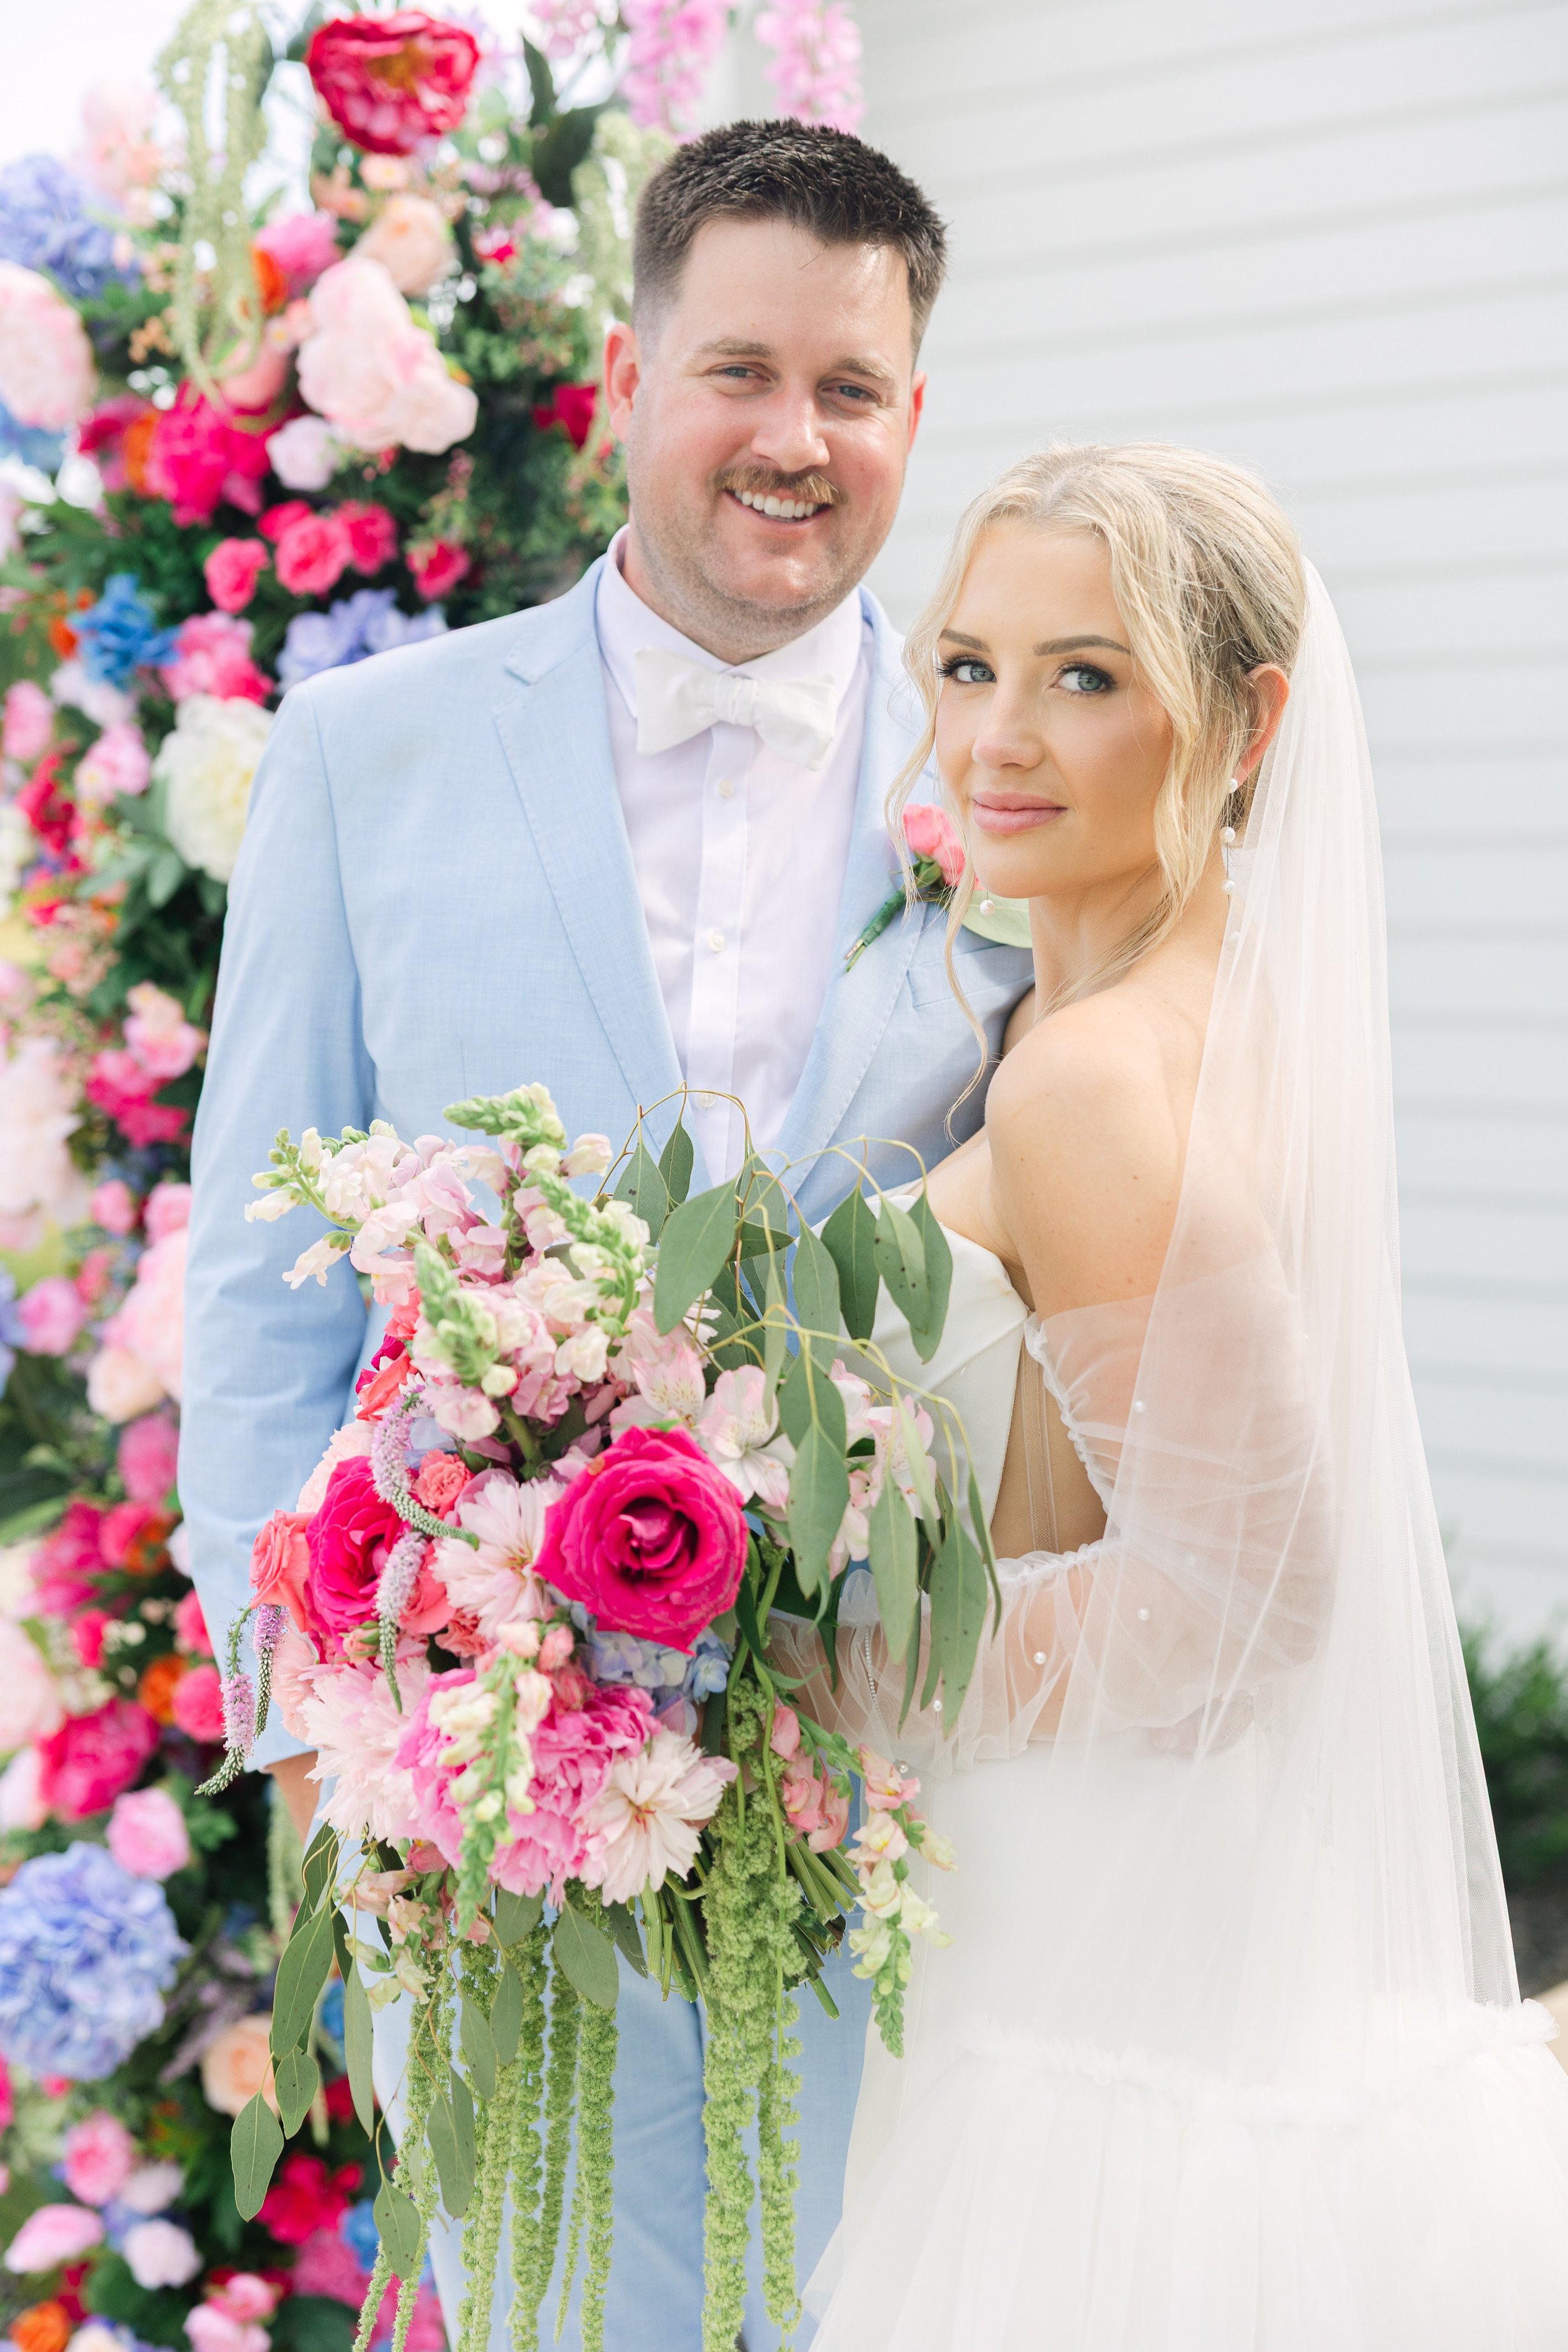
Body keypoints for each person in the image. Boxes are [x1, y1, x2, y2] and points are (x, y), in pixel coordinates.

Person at [179, 122, 1034, 2351]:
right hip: (479, 1827)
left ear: (911, 419)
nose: (792, 437)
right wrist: (328, 1751)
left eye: (849, 389)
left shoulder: (1015, 792)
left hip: (908, 1810)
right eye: (737, 369)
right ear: (634, 382)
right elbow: (261, 1305)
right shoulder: (364, 757)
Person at [772, 443, 1568, 2348]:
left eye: (1086, 676)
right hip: (1126, 1900)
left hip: (1101, 1961)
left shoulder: (1087, 1084)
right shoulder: (1190, 1018)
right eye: (967, 666)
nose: (996, 738)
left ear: (1248, 719)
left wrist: (816, 1680)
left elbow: (1240, 1595)